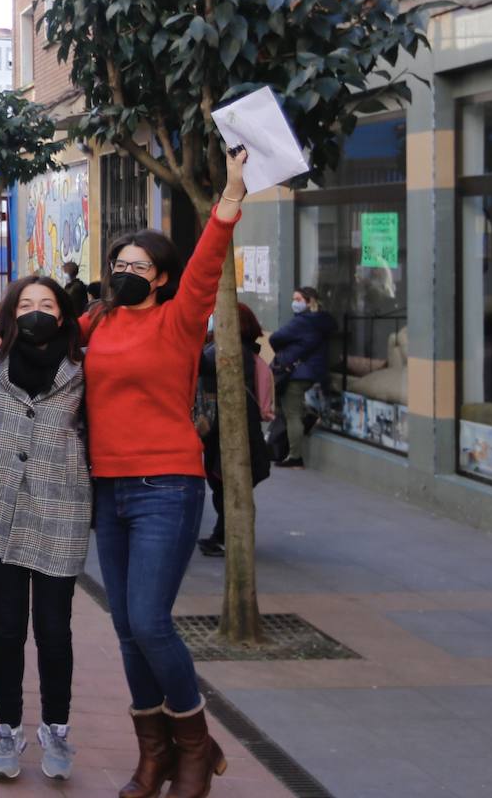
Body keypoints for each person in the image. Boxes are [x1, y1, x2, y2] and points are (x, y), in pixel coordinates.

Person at [79, 144, 247, 798]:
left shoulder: (180, 320)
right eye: (117, 263)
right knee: (125, 629)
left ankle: (196, 746)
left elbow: (207, 262)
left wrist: (230, 196)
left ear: (162, 278)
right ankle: (155, 757)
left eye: (137, 266)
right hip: (108, 488)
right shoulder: (100, 322)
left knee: (150, 620)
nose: (123, 273)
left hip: (166, 488)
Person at [0, 275, 89, 783]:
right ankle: (7, 728)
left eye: (46, 304)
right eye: (25, 303)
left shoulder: (84, 364)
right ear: (9, 312)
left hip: (61, 508)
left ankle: (56, 727)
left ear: (62, 312)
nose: (36, 311)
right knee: (7, 627)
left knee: (54, 630)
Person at [195, 304, 275, 558]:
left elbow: (202, 367)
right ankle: (225, 535)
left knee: (227, 486)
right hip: (230, 429)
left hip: (228, 430)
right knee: (228, 486)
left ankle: (228, 537)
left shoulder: (229, 352)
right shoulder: (246, 352)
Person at [269, 287, 336, 468]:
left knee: (292, 415)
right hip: (313, 371)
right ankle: (310, 417)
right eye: (293, 299)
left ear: (309, 302)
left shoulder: (302, 322)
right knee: (292, 409)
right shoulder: (322, 321)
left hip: (296, 373)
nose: (294, 303)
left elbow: (275, 338)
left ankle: (295, 457)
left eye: (298, 299)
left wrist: (286, 351)